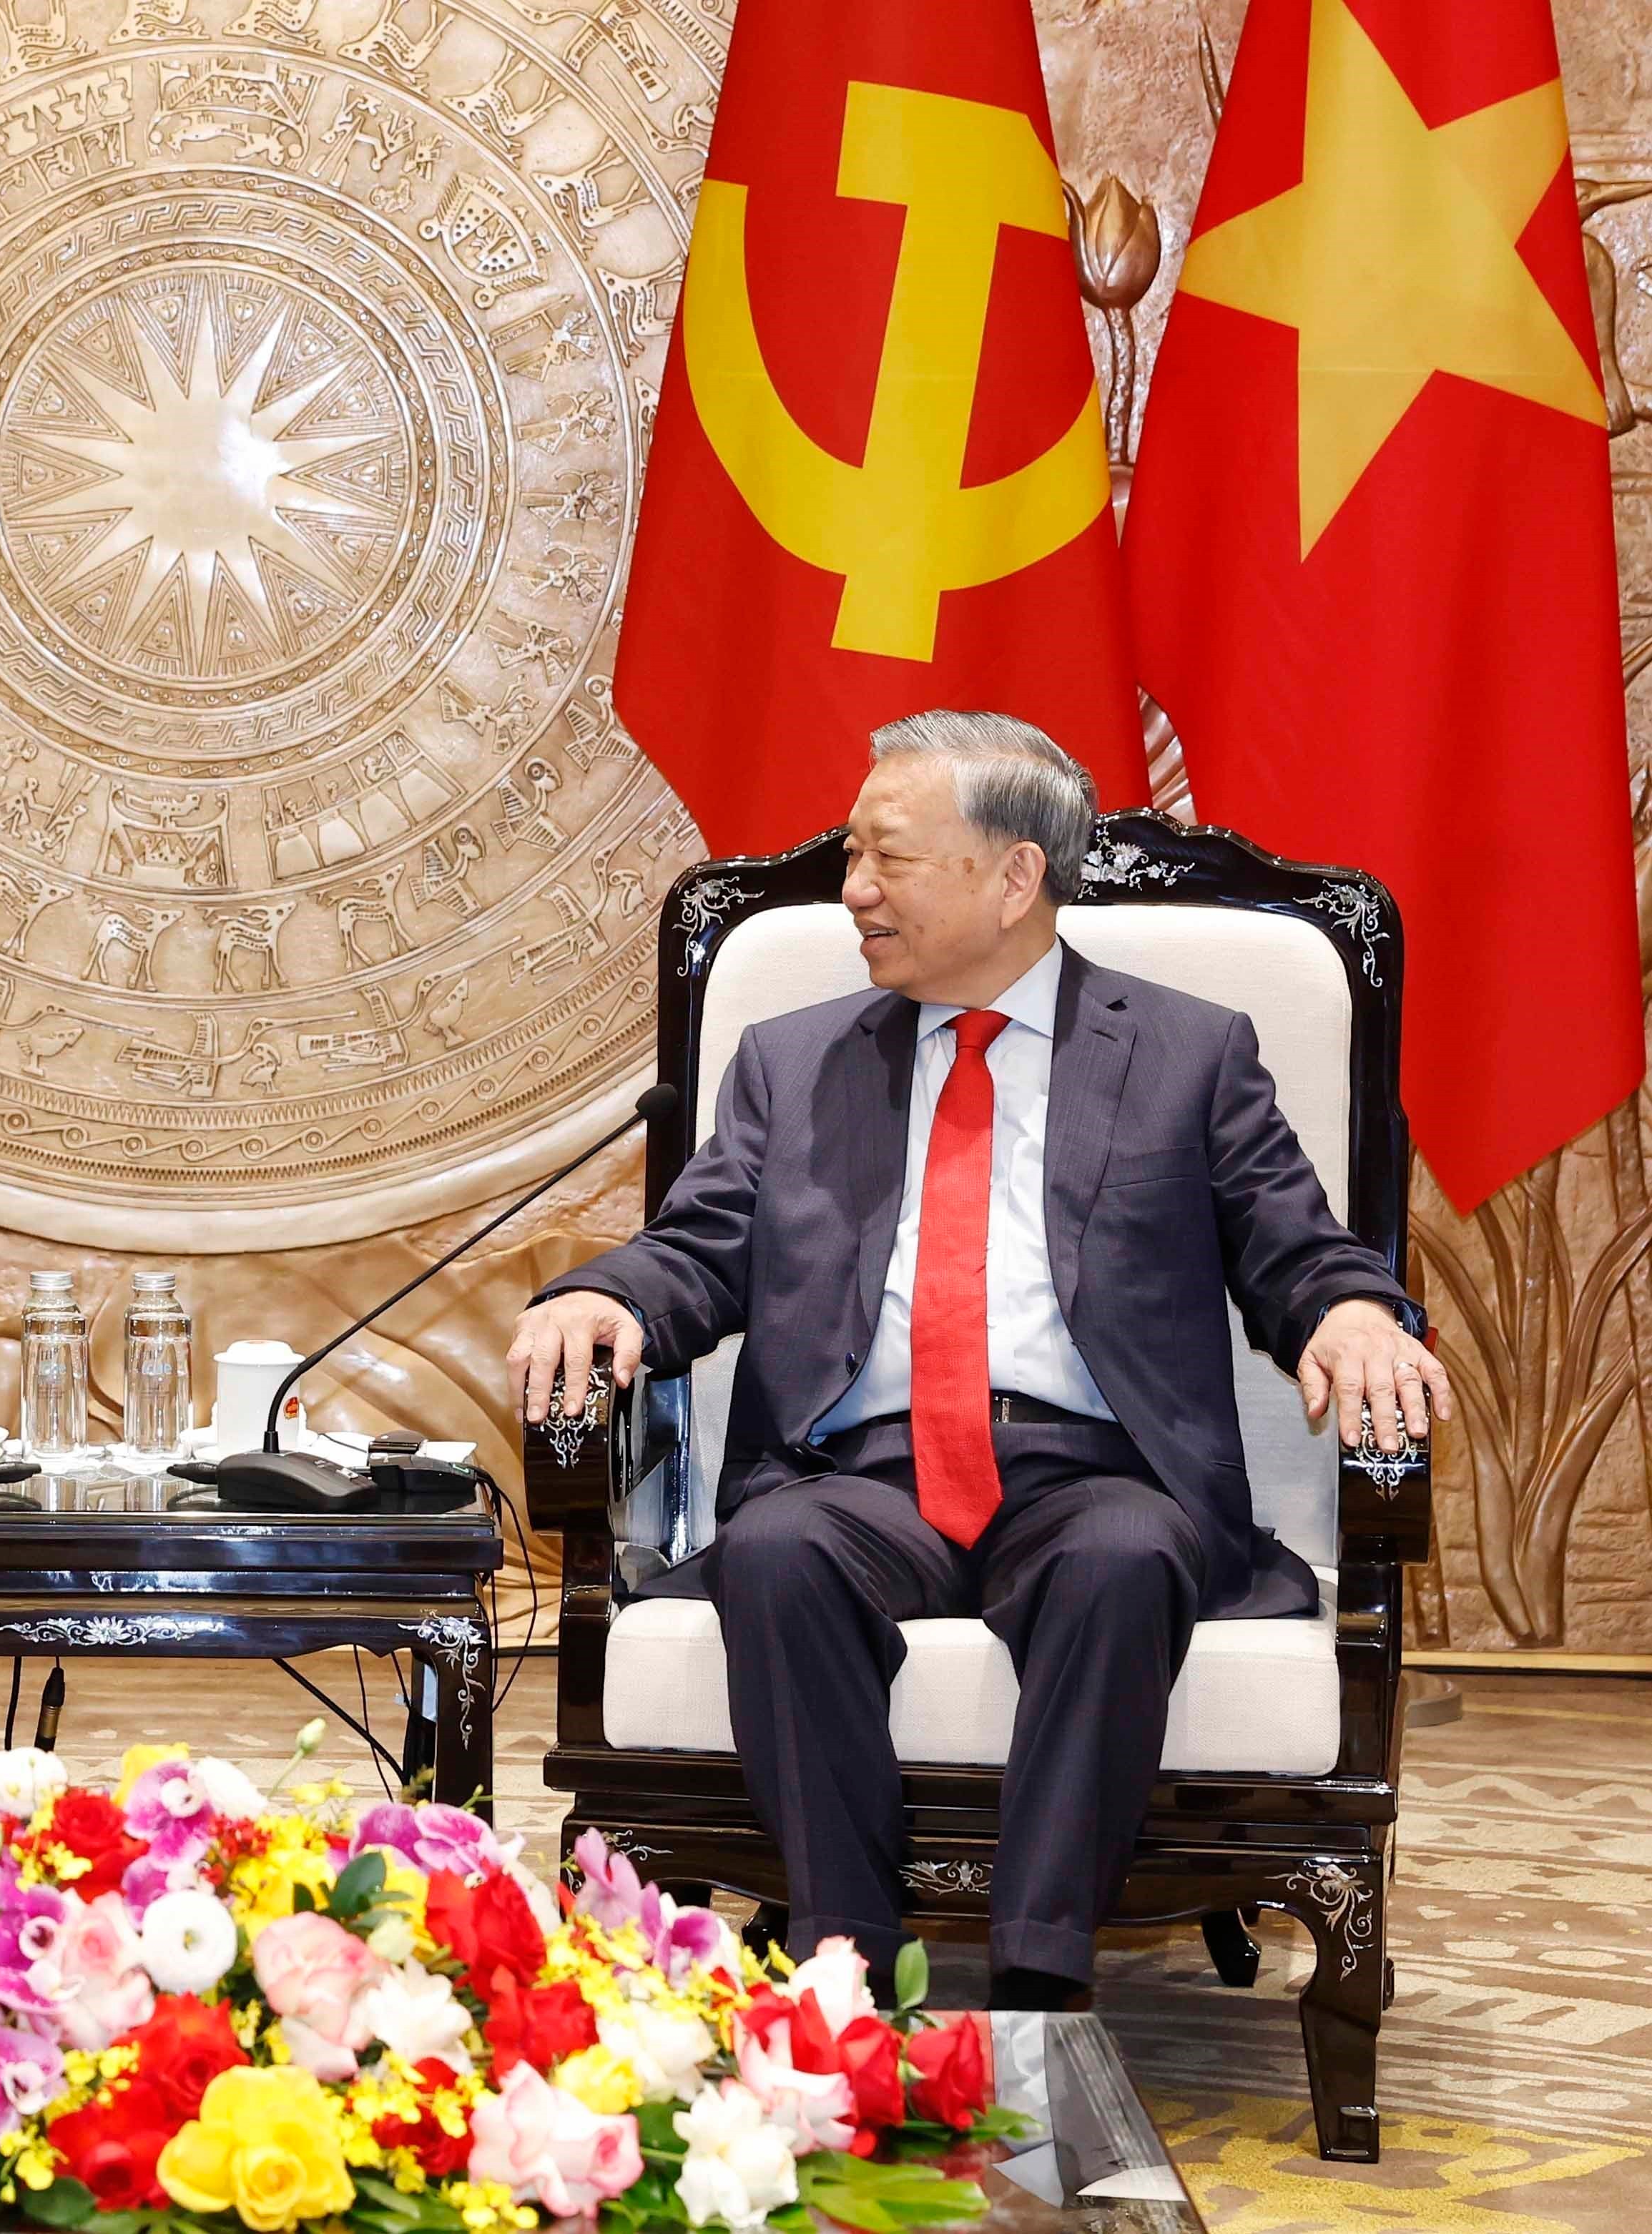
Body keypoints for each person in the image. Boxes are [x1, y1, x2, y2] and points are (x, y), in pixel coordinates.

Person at [505, 709, 1450, 2009]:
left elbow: (1292, 1245)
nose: (851, 893)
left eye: (885, 860)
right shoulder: (796, 1060)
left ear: (1015, 876)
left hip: (1090, 1469)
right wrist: (603, 1294)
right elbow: (701, 1244)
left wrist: (1349, 1312)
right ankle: (839, 1972)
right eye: (850, 859)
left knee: (1121, 1561)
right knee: (777, 1556)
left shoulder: (1187, 1052)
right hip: (863, 1471)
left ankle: (1038, 1988)